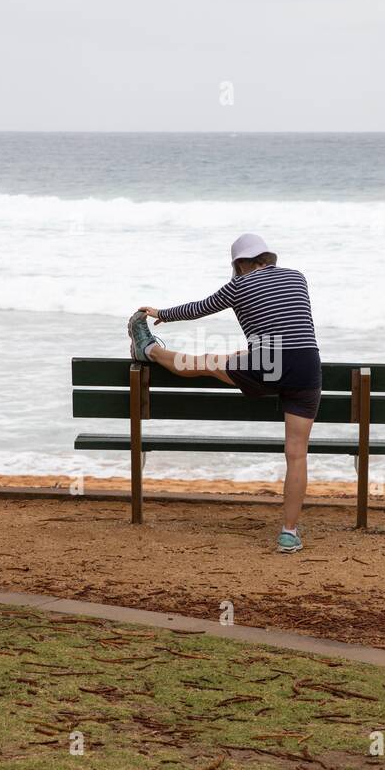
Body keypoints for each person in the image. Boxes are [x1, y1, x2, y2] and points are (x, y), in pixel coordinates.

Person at [128, 233, 320, 553]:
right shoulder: (298, 277)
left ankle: (148, 351)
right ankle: (289, 533)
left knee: (204, 361)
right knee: (297, 454)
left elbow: (201, 308)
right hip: (307, 370)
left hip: (266, 368)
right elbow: (284, 326)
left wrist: (162, 312)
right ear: (267, 258)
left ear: (240, 264)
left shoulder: (240, 284)